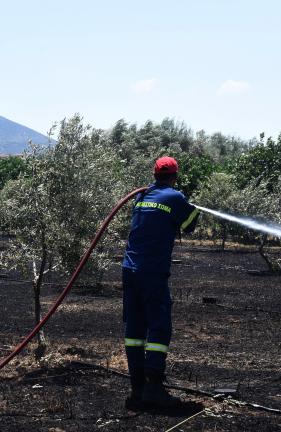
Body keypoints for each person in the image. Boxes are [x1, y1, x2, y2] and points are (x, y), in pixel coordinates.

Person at [121, 156, 200, 410]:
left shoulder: (141, 196)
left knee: (135, 329)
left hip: (129, 269)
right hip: (151, 272)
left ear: (155, 174)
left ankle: (137, 390)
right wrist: (190, 206)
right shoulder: (175, 197)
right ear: (175, 176)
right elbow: (190, 225)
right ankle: (153, 387)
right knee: (159, 326)